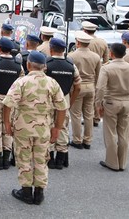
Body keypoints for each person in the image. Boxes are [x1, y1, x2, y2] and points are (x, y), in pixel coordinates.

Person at [3, 51, 68, 205]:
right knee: (41, 158)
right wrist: (58, 128)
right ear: (44, 67)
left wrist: (7, 123)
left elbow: (7, 103)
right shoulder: (52, 83)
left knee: (23, 158)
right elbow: (62, 107)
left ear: (28, 64)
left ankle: (26, 192)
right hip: (43, 128)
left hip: (22, 127)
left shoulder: (21, 82)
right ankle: (39, 193)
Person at [0, 37, 24, 170]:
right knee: (8, 127)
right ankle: (7, 158)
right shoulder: (18, 64)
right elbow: (21, 84)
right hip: (11, 99)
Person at [45, 38, 81, 169]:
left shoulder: (46, 64)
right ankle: (61, 158)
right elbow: (78, 86)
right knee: (63, 127)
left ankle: (50, 158)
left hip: (48, 100)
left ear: (51, 49)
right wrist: (70, 101)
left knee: (49, 126)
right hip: (64, 99)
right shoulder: (71, 65)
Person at [95, 43, 129, 171]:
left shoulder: (107, 68)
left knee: (110, 133)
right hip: (127, 101)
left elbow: (100, 88)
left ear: (111, 53)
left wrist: (98, 104)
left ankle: (112, 162)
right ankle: (122, 163)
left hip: (111, 101)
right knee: (124, 133)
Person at [68, 31, 101, 150]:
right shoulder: (96, 56)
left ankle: (77, 140)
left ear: (78, 42)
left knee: (76, 114)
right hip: (91, 86)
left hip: (78, 86)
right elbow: (98, 74)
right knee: (89, 114)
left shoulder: (71, 56)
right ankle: (88, 140)